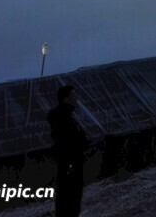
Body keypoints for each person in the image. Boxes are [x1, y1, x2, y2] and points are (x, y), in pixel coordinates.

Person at [48, 85, 89, 217]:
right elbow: (70, 143)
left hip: (69, 166)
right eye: (73, 97)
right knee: (70, 203)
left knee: (67, 203)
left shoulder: (65, 117)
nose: (76, 99)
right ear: (66, 99)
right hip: (70, 167)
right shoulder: (64, 120)